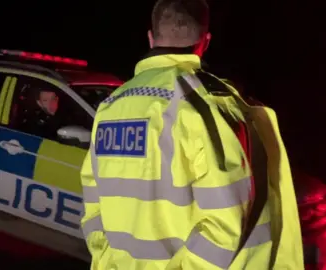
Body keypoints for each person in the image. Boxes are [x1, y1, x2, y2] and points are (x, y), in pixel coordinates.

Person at [80, 0, 304, 269]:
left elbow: (92, 206)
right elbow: (224, 222)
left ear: (150, 37)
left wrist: (107, 261)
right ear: (205, 42)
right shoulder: (208, 105)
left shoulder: (109, 107)